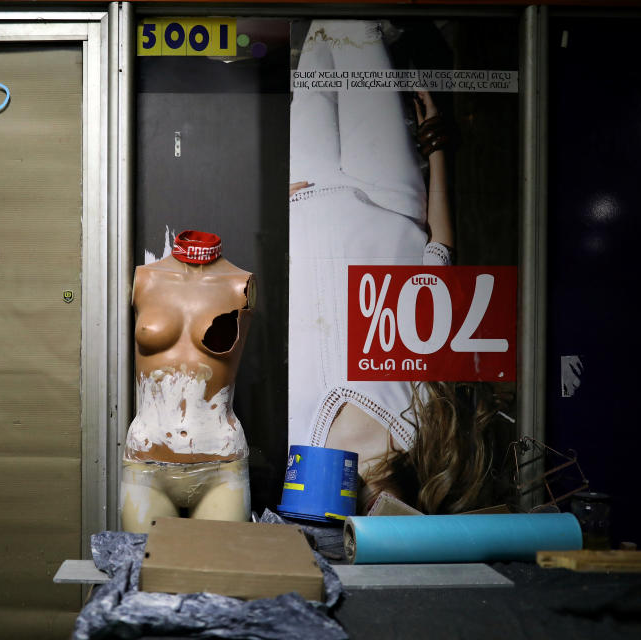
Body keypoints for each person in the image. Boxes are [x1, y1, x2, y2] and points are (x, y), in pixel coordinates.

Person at [288, 20, 505, 515]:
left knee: (322, 34)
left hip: (307, 192)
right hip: (387, 196)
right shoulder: (424, 421)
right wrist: (436, 146)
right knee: (354, 26)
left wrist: (286, 220)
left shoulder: (306, 453)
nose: (385, 510)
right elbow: (440, 254)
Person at [120, 231, 256, 533]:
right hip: (147, 457)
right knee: (147, 570)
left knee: (218, 574)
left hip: (220, 460)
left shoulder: (240, 283)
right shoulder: (146, 278)